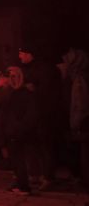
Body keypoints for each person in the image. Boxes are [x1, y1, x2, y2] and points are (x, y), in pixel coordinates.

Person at [18, 44, 62, 189]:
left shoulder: (44, 69)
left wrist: (31, 89)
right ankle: (36, 174)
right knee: (33, 143)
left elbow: (47, 92)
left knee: (44, 145)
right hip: (33, 113)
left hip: (43, 113)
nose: (20, 56)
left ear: (31, 54)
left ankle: (48, 177)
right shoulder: (32, 68)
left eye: (23, 53)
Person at [0, 67, 38, 196]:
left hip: (18, 131)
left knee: (20, 159)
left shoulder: (25, 93)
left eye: (16, 76)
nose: (13, 79)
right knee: (15, 158)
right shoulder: (11, 93)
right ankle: (20, 183)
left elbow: (30, 114)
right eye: (11, 77)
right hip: (11, 131)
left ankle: (24, 186)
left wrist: (18, 127)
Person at [62, 48, 89, 188]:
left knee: (82, 152)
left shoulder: (79, 79)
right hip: (79, 119)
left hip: (80, 121)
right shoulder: (77, 76)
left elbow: (80, 103)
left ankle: (83, 179)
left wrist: (76, 123)